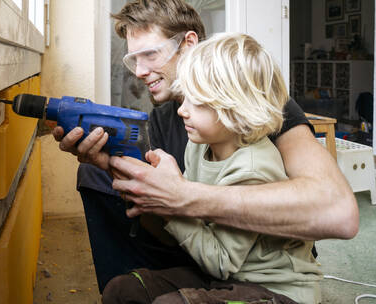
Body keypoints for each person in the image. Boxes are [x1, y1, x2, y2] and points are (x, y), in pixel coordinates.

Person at [52, 0, 358, 293]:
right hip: (196, 247)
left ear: (189, 43)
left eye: (150, 54)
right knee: (95, 176)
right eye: (134, 60)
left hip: (261, 269)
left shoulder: (257, 103)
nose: (141, 72)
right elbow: (161, 225)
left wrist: (183, 196)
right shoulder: (162, 119)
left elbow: (338, 212)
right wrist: (114, 170)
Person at [101, 32, 322, 304]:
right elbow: (199, 221)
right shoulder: (199, 144)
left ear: (235, 109)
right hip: (223, 278)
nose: (182, 110)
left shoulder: (253, 168)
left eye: (197, 101)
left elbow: (221, 261)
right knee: (122, 290)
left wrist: (169, 205)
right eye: (185, 97)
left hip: (274, 289)